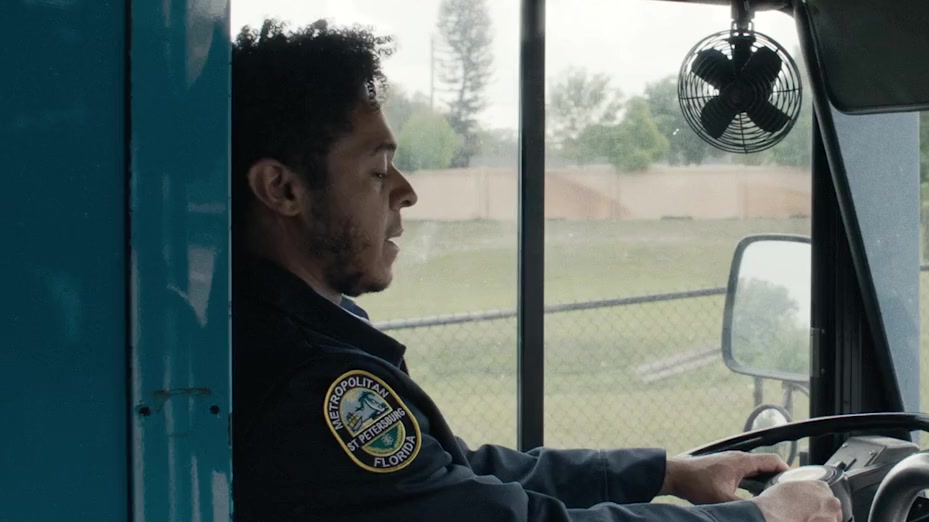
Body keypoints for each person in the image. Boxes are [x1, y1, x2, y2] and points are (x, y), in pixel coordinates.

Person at [230, 19, 842, 521]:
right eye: (377, 170)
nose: (406, 191)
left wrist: (667, 473)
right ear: (282, 188)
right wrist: (761, 517)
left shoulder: (293, 340)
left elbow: (458, 474)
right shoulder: (312, 390)